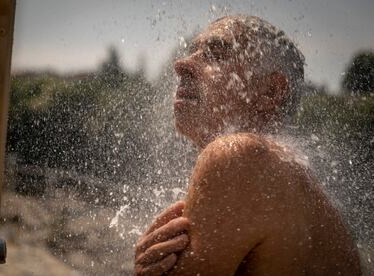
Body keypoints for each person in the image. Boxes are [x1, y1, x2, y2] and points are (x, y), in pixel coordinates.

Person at [134, 15, 361, 275]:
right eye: (193, 51)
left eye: (216, 54)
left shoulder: (239, 156)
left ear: (270, 93)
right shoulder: (290, 177)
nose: (181, 64)